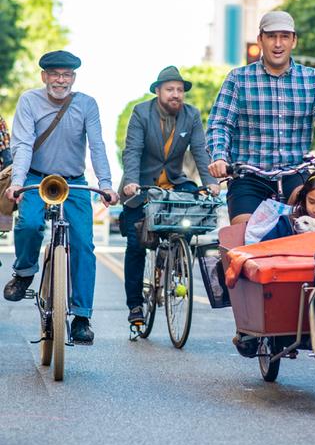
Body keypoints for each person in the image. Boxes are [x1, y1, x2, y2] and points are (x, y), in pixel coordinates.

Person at [3, 50, 118, 344]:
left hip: (74, 182)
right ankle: (24, 271)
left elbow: (97, 146)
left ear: (74, 78)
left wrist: (105, 184)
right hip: (35, 177)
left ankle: (81, 317)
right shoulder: (29, 100)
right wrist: (17, 183)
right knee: (29, 224)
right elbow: (24, 145)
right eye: (54, 74)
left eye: (66, 75)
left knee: (83, 244)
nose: (60, 80)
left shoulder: (86, 104)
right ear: (44, 76)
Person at [206, 10, 315, 224]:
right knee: (244, 234)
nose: (278, 43)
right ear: (260, 40)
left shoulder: (313, 79)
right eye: (271, 36)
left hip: (295, 173)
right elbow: (220, 124)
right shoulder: (238, 79)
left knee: (309, 220)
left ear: (294, 41)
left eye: (284, 36)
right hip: (249, 176)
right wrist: (219, 157)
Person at [120, 65, 220, 325]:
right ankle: (135, 307)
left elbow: (200, 150)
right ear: (157, 91)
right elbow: (132, 150)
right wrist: (130, 181)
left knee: (195, 210)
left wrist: (210, 182)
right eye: (170, 89)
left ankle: (174, 257)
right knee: (135, 244)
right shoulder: (141, 112)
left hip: (175, 184)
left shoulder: (192, 115)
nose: (176, 94)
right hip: (141, 188)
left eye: (179, 90)